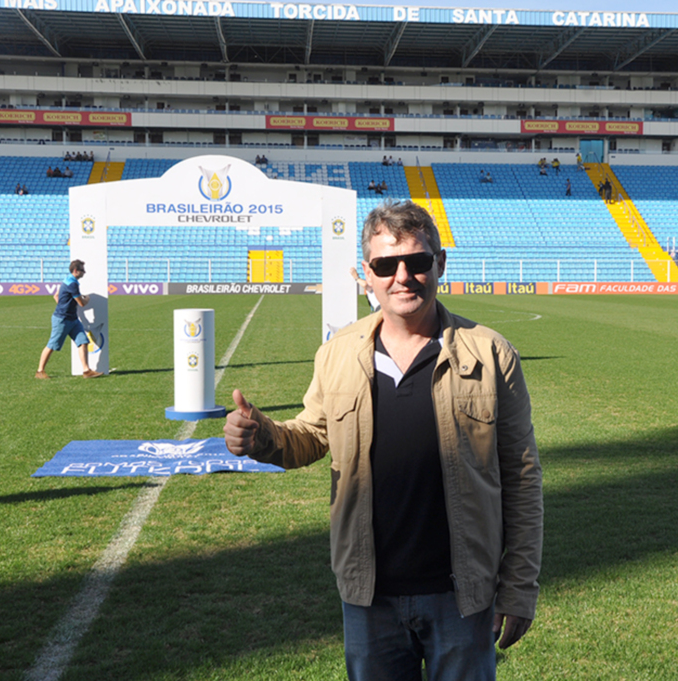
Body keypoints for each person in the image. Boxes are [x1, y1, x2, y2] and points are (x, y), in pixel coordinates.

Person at [224, 200, 543, 681]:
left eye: (417, 262)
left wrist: (518, 588)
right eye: (385, 265)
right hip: (368, 595)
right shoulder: (337, 354)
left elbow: (522, 477)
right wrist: (261, 436)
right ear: (365, 276)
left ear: (439, 264)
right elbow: (310, 435)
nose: (403, 276)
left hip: (462, 597)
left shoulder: (492, 354)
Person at [36, 260, 102, 379]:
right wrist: (87, 299)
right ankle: (40, 371)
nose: (84, 272)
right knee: (52, 345)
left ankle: (86, 371)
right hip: (62, 320)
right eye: (82, 270)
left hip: (72, 319)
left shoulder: (67, 280)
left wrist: (64, 306)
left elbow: (55, 296)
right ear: (76, 271)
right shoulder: (72, 284)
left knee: (83, 342)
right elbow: (82, 303)